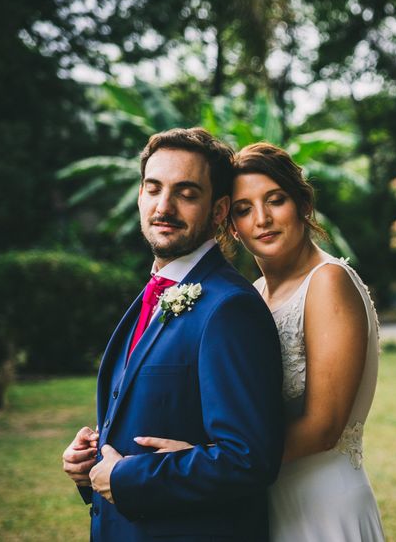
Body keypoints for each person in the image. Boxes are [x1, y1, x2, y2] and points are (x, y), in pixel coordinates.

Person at [140, 142, 386, 541]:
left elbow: (324, 427)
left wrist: (210, 459)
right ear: (230, 224)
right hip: (263, 498)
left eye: (276, 200)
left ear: (302, 206)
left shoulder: (328, 282)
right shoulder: (253, 294)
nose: (263, 219)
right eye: (244, 209)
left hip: (320, 501)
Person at [61, 128, 285, 541]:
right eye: (153, 188)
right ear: (140, 195)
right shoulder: (151, 294)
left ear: (218, 212)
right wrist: (91, 466)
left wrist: (127, 477)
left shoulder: (229, 308)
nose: (164, 206)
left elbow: (249, 460)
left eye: (186, 193)